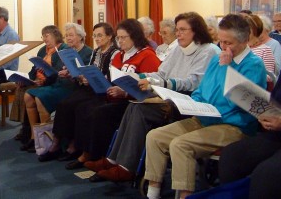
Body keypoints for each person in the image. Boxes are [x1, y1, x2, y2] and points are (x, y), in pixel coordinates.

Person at [144, 14, 267, 199]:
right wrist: (193, 102)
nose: (223, 47)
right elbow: (202, 89)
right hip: (205, 116)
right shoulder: (219, 58)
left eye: (229, 43)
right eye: (221, 42)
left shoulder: (254, 64)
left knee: (181, 145)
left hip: (234, 124)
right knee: (155, 136)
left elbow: (243, 103)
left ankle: (185, 196)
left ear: (244, 40)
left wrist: (226, 67)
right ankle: (152, 193)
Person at [85, 12, 217, 182]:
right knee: (134, 105)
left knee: (139, 108)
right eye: (177, 30)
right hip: (168, 95)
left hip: (186, 101)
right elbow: (161, 72)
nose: (178, 34)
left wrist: (162, 83)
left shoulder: (208, 50)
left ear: (196, 31)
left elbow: (194, 82)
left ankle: (127, 167)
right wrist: (141, 77)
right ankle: (113, 160)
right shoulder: (178, 48)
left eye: (183, 30)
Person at [65, 18, 161, 171]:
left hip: (133, 102)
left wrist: (124, 92)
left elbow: (151, 87)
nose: (120, 41)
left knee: (99, 113)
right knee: (83, 108)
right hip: (112, 96)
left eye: (123, 37)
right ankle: (85, 151)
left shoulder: (148, 56)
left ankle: (98, 155)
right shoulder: (119, 55)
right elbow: (112, 78)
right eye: (118, 37)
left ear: (135, 36)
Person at [38, 22, 118, 162]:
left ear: (110, 36)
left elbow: (110, 76)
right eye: (95, 36)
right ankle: (57, 143)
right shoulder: (96, 52)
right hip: (89, 86)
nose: (97, 39)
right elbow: (89, 70)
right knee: (64, 104)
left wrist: (87, 78)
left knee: (80, 107)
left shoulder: (114, 53)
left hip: (102, 90)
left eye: (100, 36)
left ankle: (76, 146)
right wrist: (81, 76)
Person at [21, 23, 92, 152]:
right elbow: (60, 70)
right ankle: (35, 137)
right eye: (67, 36)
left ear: (81, 37)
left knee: (39, 98)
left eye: (71, 35)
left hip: (73, 87)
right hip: (60, 83)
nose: (68, 38)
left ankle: (47, 139)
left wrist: (70, 74)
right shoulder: (67, 51)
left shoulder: (88, 52)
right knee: (28, 95)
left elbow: (86, 73)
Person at [218, 75, 281, 199]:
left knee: (266, 174)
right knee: (231, 156)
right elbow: (275, 100)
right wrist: (265, 113)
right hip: (277, 135)